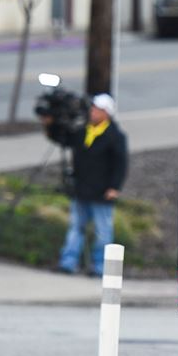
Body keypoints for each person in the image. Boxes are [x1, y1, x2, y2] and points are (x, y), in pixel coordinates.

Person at [46, 93, 128, 277]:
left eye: (96, 109)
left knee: (102, 232)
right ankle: (68, 262)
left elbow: (121, 163)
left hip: (102, 192)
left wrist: (114, 187)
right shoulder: (83, 131)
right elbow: (63, 139)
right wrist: (50, 123)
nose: (92, 112)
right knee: (76, 227)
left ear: (106, 112)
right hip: (81, 189)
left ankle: (100, 267)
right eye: (92, 108)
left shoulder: (115, 136)